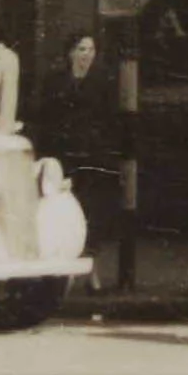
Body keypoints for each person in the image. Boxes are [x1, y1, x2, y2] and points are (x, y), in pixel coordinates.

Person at [25, 29, 128, 260]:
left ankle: (91, 261)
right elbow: (45, 115)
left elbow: (110, 118)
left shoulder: (103, 80)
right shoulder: (55, 80)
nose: (87, 55)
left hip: (92, 154)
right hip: (63, 152)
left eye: (91, 50)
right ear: (71, 52)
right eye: (82, 49)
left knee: (91, 208)